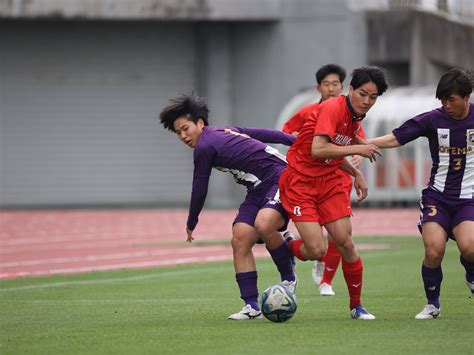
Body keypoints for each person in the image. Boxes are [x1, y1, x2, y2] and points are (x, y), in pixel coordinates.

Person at [159, 94, 297, 320]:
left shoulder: (204, 147)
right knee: (240, 237)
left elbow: (199, 186)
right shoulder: (227, 130)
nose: (183, 136)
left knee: (264, 225)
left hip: (280, 177)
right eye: (178, 132)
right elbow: (266, 134)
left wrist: (192, 221)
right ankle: (252, 306)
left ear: (200, 123)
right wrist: (291, 139)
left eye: (186, 128)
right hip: (256, 190)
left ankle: (288, 278)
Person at [279, 66, 388, 320]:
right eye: (363, 94)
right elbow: (318, 149)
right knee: (316, 249)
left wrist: (356, 174)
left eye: (373, 97)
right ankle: (288, 248)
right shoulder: (331, 108)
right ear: (350, 89)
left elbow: (335, 147)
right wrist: (358, 149)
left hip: (328, 182)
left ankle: (356, 307)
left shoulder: (355, 115)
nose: (367, 101)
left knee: (345, 241)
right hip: (301, 182)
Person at [365, 68, 474, 319]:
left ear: (466, 97)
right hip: (437, 197)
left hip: (469, 198)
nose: (446, 104)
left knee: (470, 248)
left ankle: (470, 272)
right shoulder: (432, 120)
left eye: (452, 99)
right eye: (443, 99)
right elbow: (396, 138)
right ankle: (432, 304)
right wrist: (363, 145)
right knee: (434, 250)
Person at [283, 64, 366, 297]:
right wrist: (303, 144)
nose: (331, 88)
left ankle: (327, 282)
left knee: (341, 236)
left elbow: (358, 141)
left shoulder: (352, 114)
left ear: (343, 87)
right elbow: (287, 131)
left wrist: (358, 160)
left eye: (335, 84)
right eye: (326, 84)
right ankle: (302, 251)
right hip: (306, 178)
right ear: (318, 87)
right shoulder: (310, 111)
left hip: (336, 177)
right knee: (317, 244)